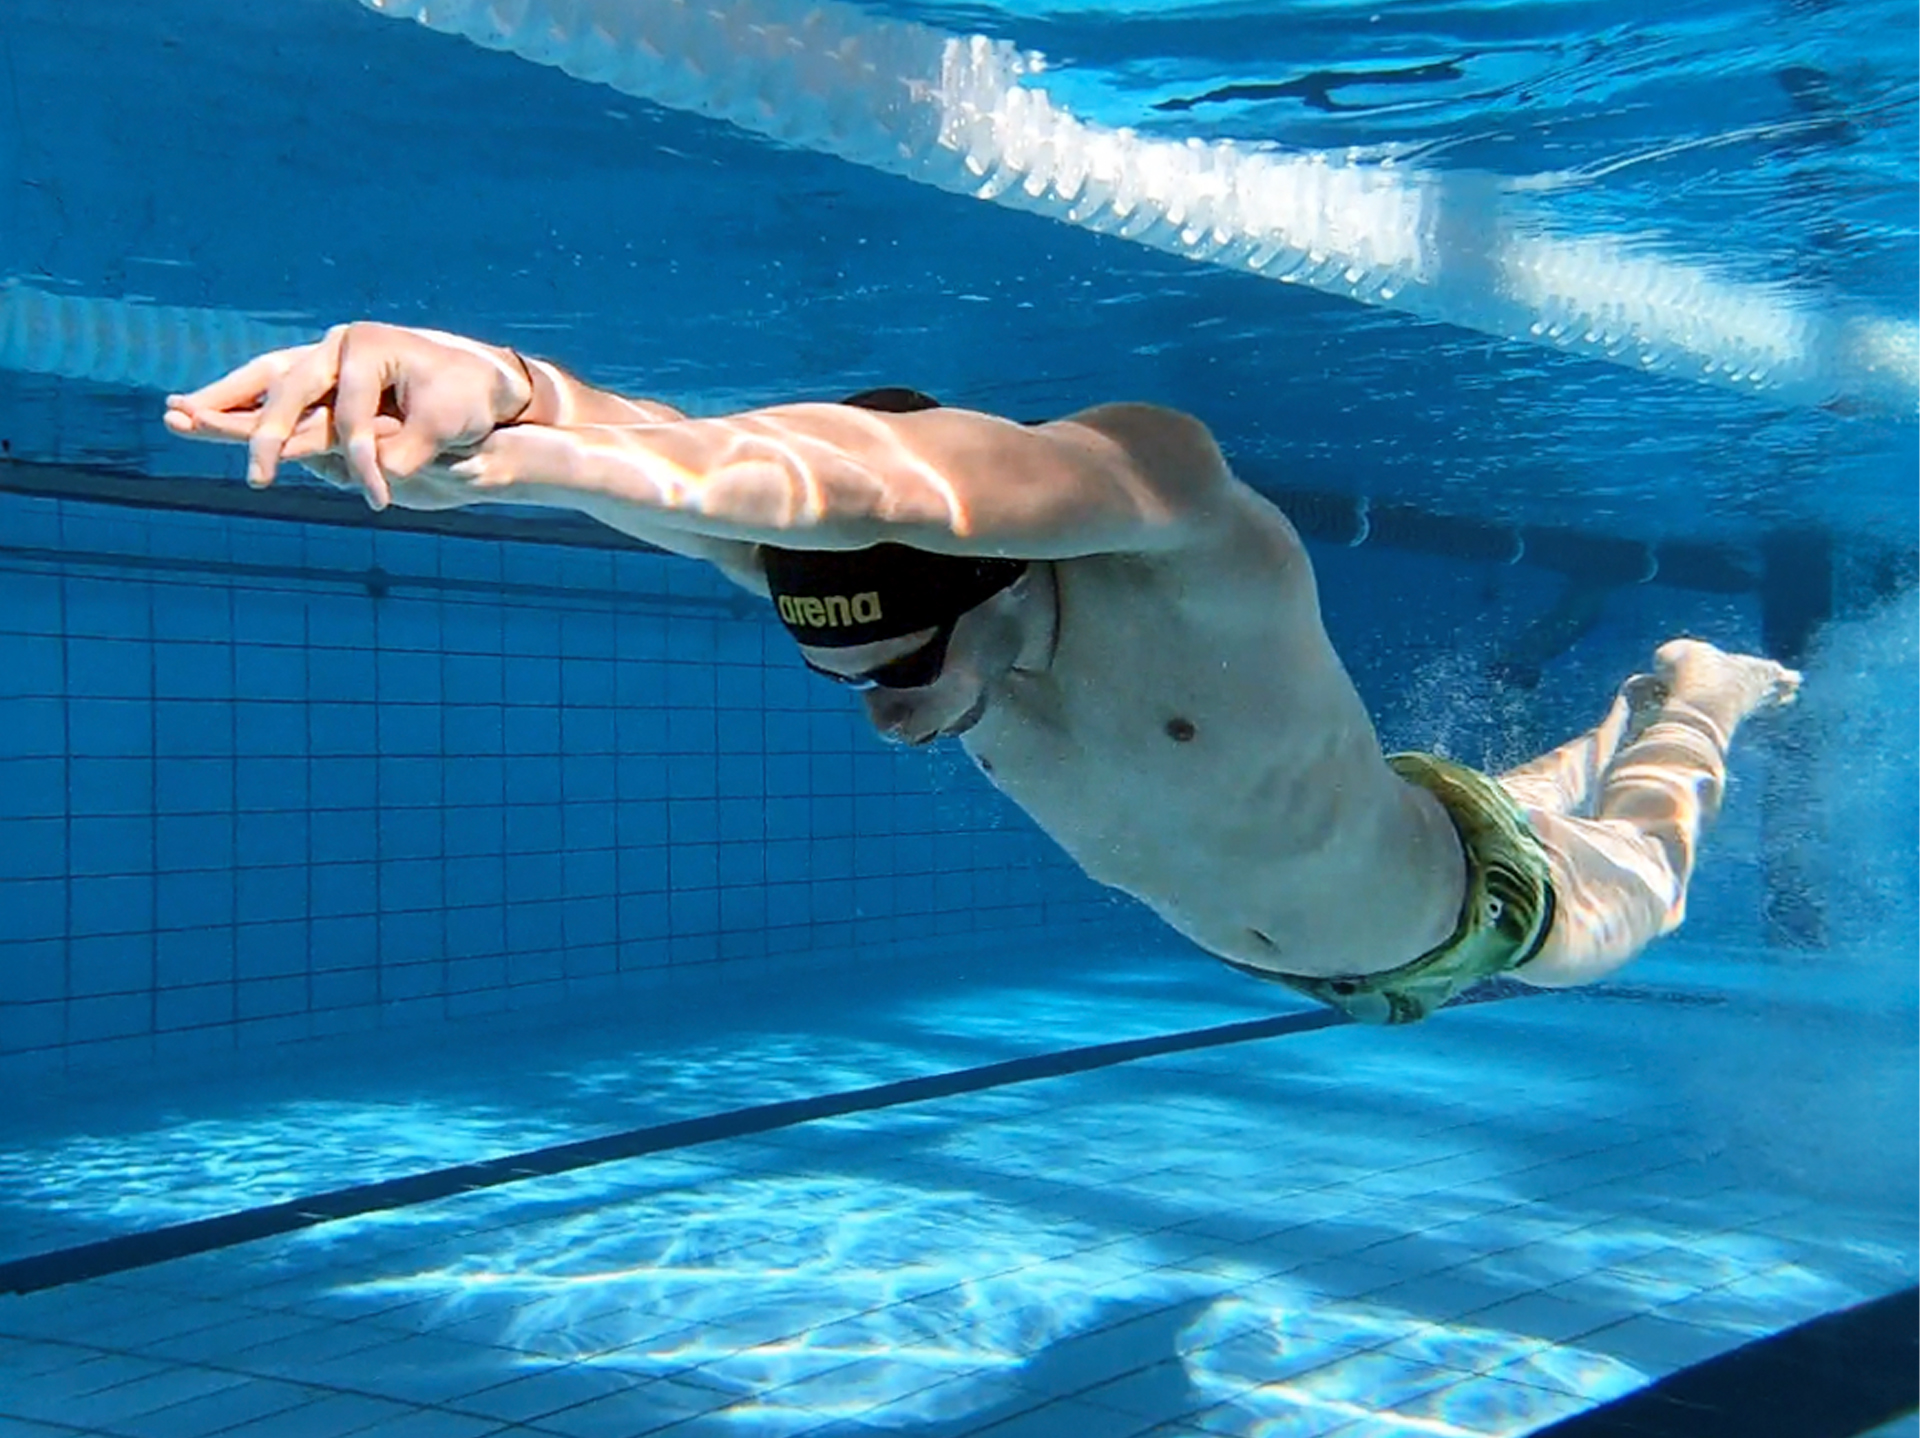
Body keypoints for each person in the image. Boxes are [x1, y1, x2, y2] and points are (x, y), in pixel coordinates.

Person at [165, 322, 1802, 1025]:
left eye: (916, 659)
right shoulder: (846, 566)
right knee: (1439, 800)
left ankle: (1696, 690)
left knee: (1640, 874)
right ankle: (1608, 726)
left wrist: (646, 467)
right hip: (1336, 904)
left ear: (1008, 570)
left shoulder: (1188, 543)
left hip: (1470, 912)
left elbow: (1029, 469)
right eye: (854, 677)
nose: (892, 711)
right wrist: (507, 393)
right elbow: (680, 457)